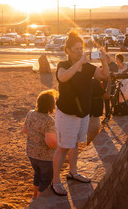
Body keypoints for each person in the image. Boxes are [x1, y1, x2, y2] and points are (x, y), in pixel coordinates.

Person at [50, 31, 107, 196]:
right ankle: (55, 182)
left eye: (80, 49)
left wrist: (103, 59)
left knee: (74, 144)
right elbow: (63, 78)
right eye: (75, 49)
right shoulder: (63, 65)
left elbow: (105, 76)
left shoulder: (88, 67)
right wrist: (79, 63)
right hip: (66, 113)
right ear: (67, 50)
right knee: (62, 147)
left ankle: (73, 173)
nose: (79, 52)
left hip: (82, 113)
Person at [23, 90, 59, 197]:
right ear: (51, 105)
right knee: (46, 180)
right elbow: (51, 143)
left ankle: (34, 197)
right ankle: (38, 202)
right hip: (45, 157)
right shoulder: (49, 120)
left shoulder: (30, 113)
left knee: (37, 175)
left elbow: (25, 130)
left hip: (31, 153)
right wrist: (61, 144)